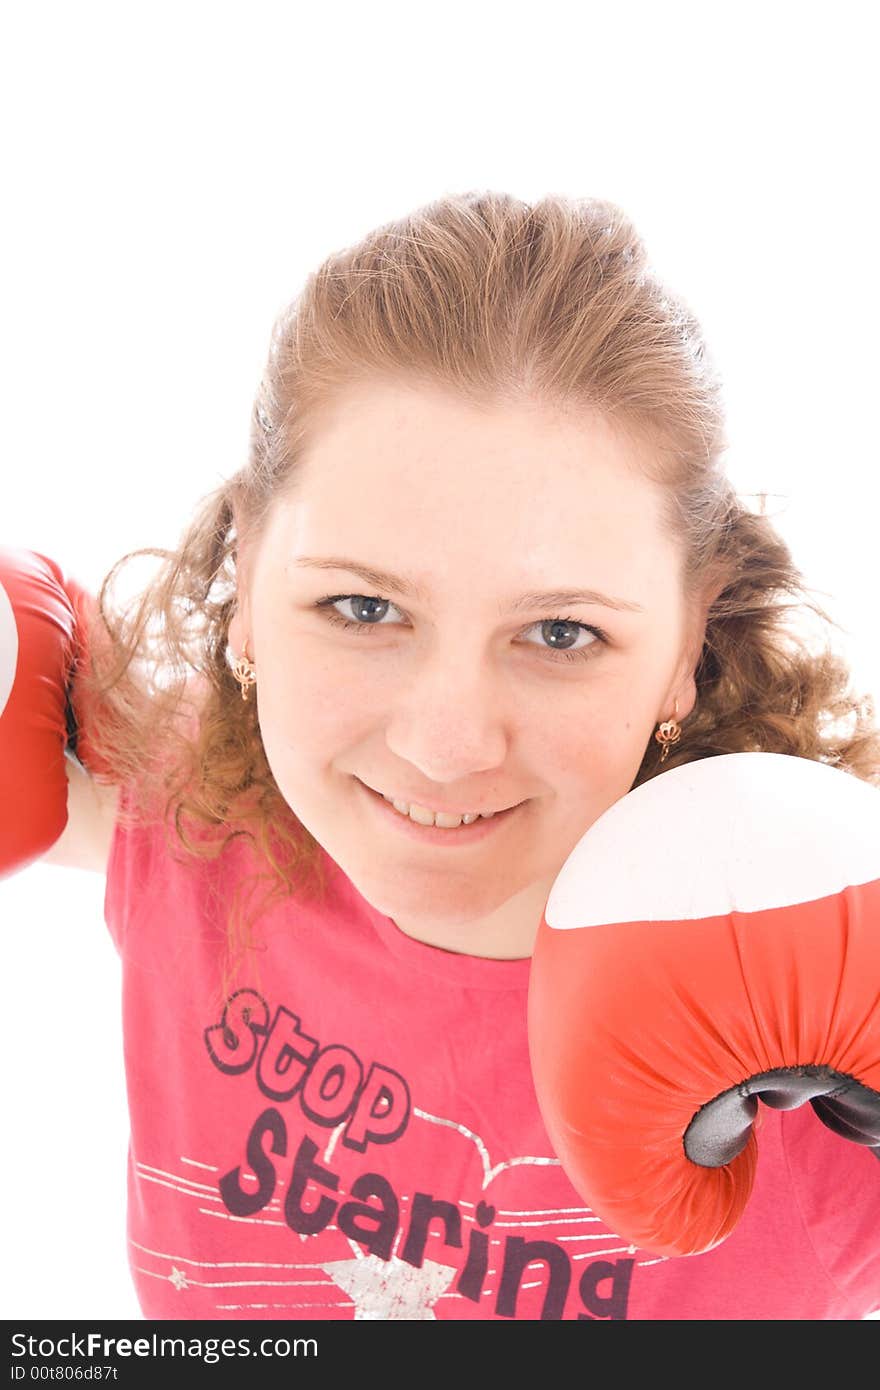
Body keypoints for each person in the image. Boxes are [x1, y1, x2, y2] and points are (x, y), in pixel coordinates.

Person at [3, 191, 879, 1321]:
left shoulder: (820, 977)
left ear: (687, 652)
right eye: (361, 608)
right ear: (247, 583)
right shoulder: (188, 815)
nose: (443, 744)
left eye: (561, 633)